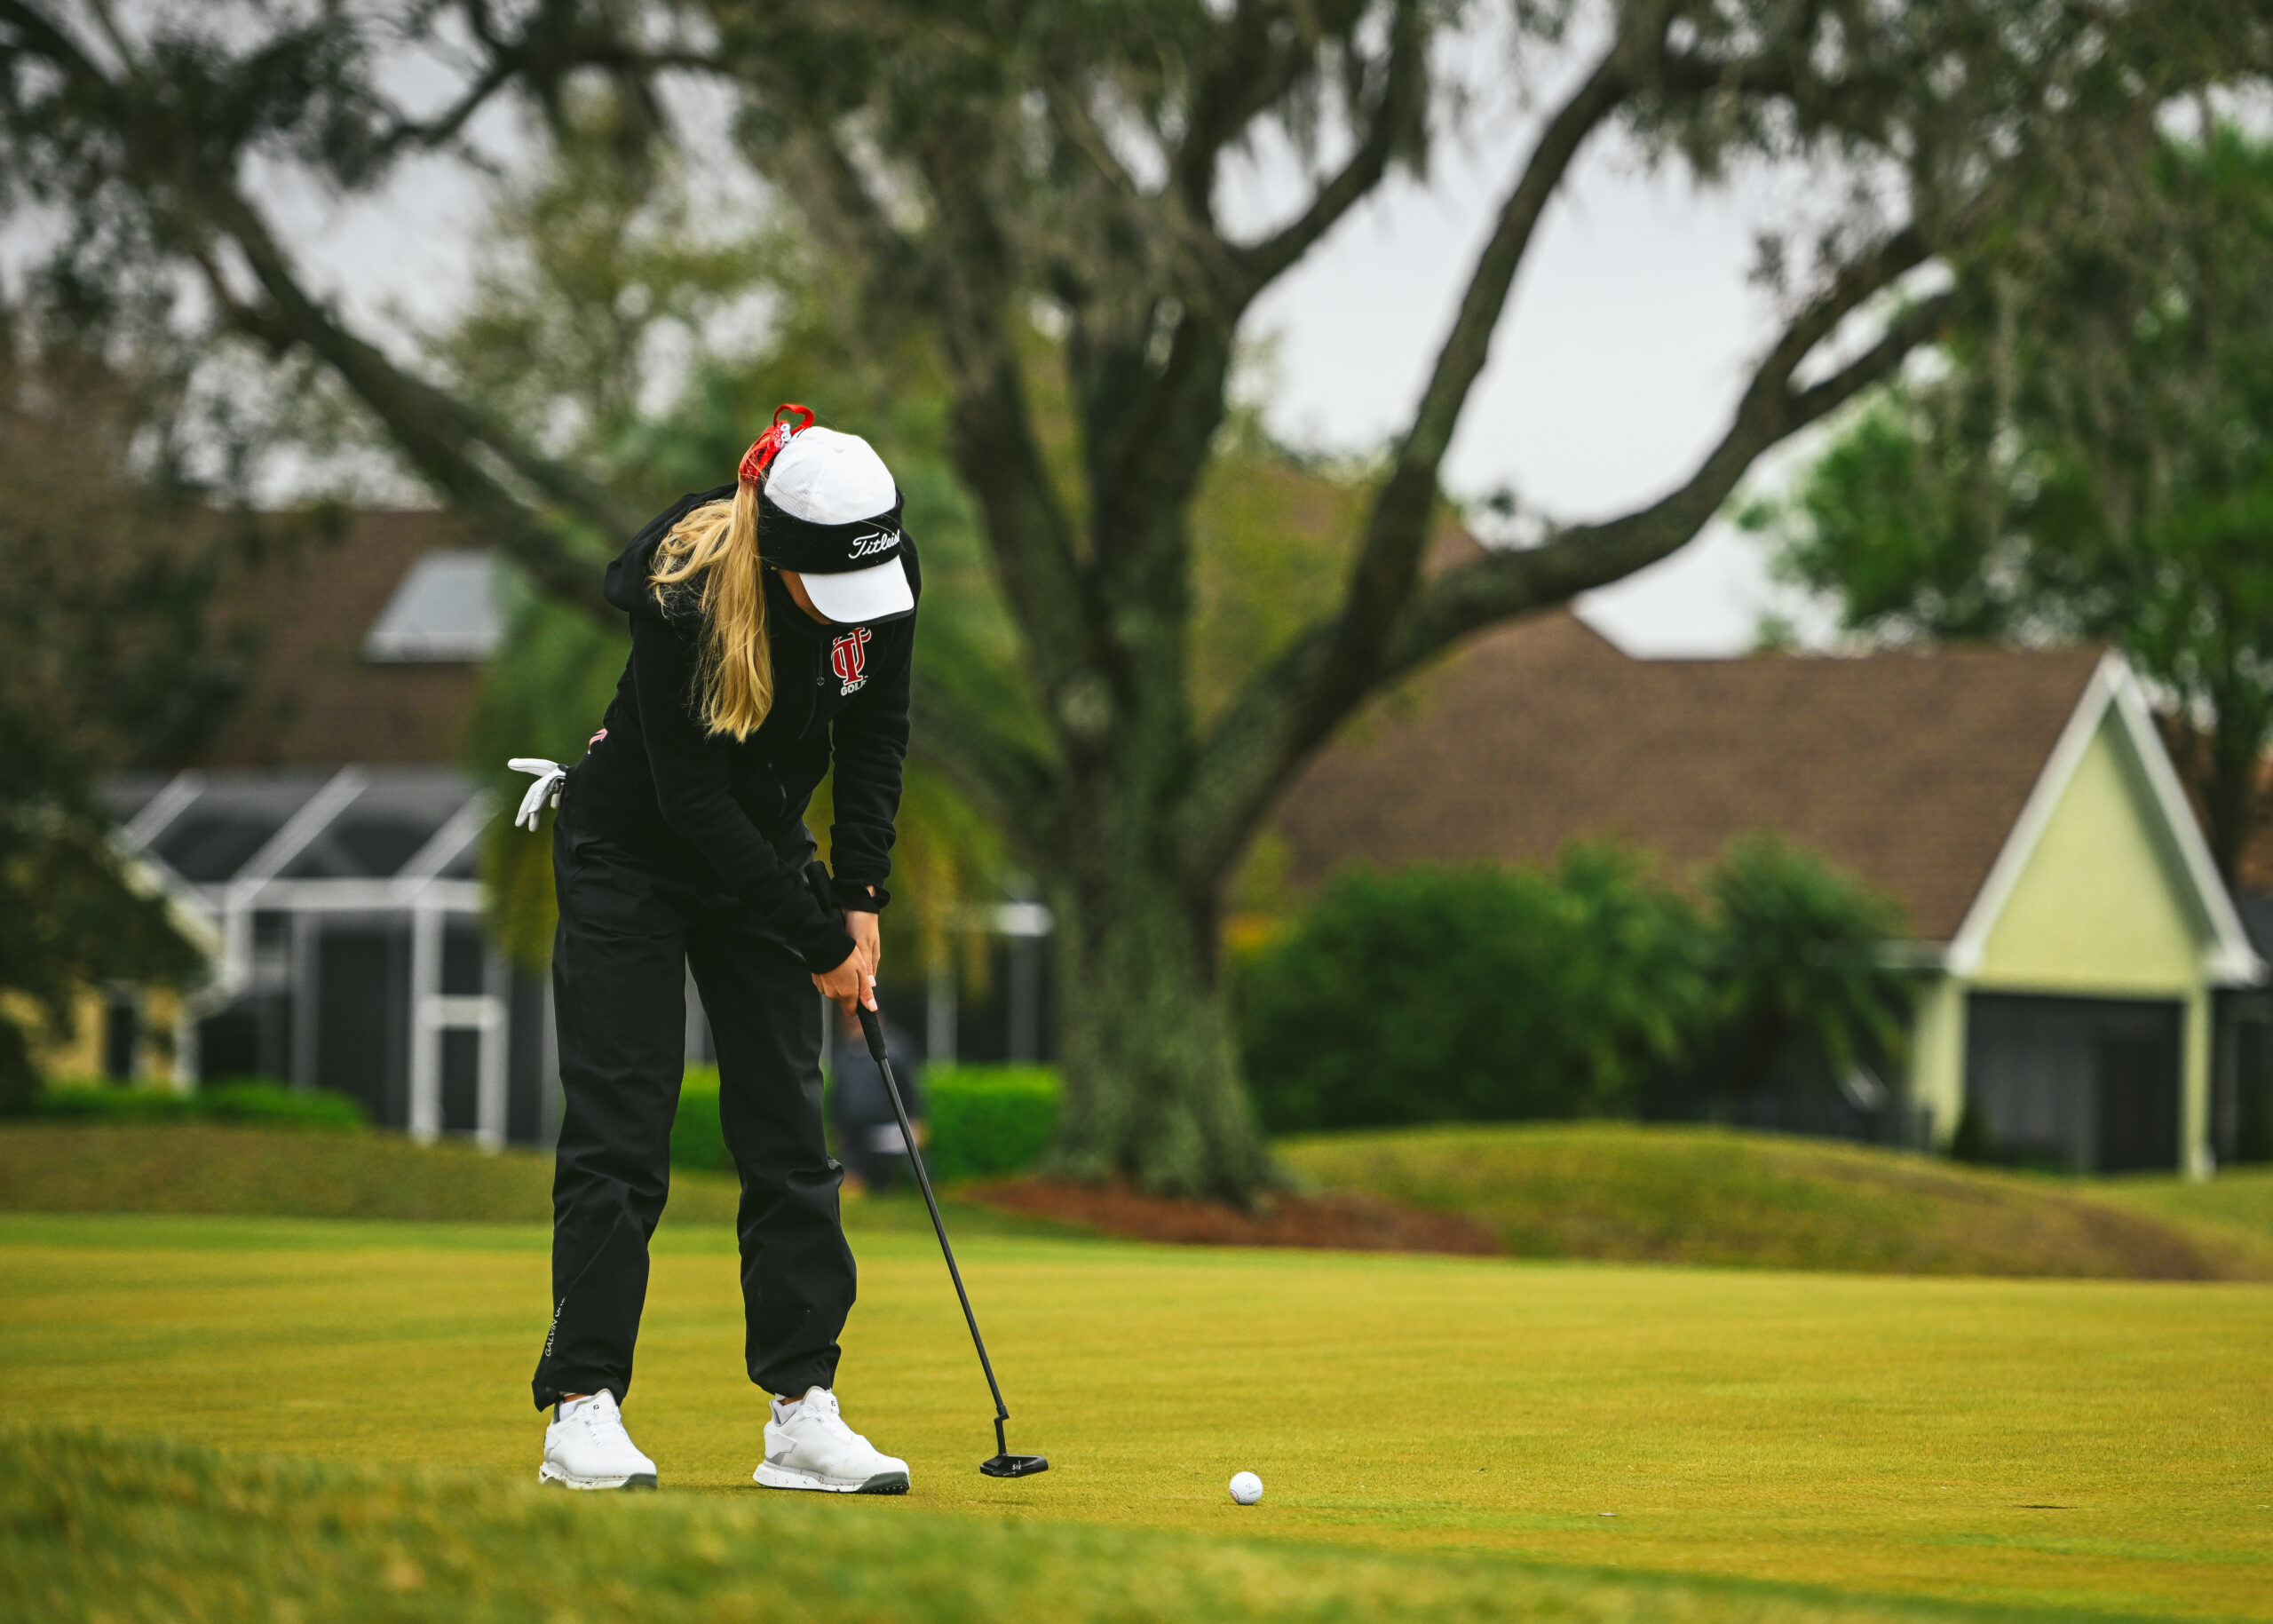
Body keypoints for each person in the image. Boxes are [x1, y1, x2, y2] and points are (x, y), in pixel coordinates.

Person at [524, 406, 918, 1495]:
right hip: (631, 852)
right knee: (622, 1124)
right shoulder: (680, 590)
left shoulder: (878, 567)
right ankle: (582, 1405)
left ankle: (802, 1410)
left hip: (763, 851)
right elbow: (691, 800)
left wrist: (861, 893)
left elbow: (876, 729)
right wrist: (814, 933)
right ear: (778, 557)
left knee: (789, 1130)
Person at [827, 1004, 925, 1195]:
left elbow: (908, 1088)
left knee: (884, 1180)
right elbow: (838, 1094)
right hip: (853, 1130)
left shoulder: (895, 1051)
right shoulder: (844, 1054)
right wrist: (836, 1124)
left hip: (884, 1128)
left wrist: (914, 1119)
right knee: (854, 1180)